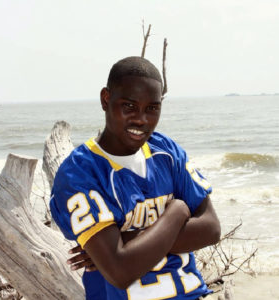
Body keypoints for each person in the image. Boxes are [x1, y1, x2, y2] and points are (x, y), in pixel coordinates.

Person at [50, 56, 221, 300]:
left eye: (152, 108)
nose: (141, 119)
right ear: (105, 99)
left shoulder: (167, 152)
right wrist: (178, 212)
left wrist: (125, 239)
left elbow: (211, 229)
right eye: (129, 106)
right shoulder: (80, 173)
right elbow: (120, 271)